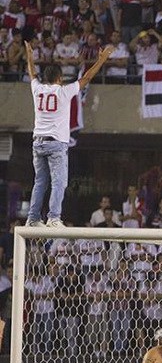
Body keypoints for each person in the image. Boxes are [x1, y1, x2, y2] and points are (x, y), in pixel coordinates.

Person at [24, 41, 113, 227]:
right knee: (59, 183)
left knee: (40, 182)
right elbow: (86, 78)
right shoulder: (63, 91)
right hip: (56, 143)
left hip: (37, 142)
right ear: (60, 78)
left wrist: (30, 58)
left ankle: (33, 218)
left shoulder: (37, 89)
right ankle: (53, 218)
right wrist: (101, 60)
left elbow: (32, 74)